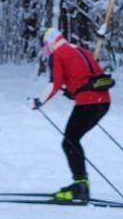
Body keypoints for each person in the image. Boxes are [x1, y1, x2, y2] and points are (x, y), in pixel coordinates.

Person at [32, 28, 112, 204]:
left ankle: (80, 186)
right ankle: (81, 184)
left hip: (88, 103)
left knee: (69, 142)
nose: (45, 51)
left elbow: (54, 84)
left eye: (44, 46)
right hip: (103, 102)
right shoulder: (80, 50)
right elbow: (84, 76)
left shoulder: (58, 54)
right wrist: (70, 91)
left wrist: (38, 101)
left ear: (48, 42)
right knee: (72, 140)